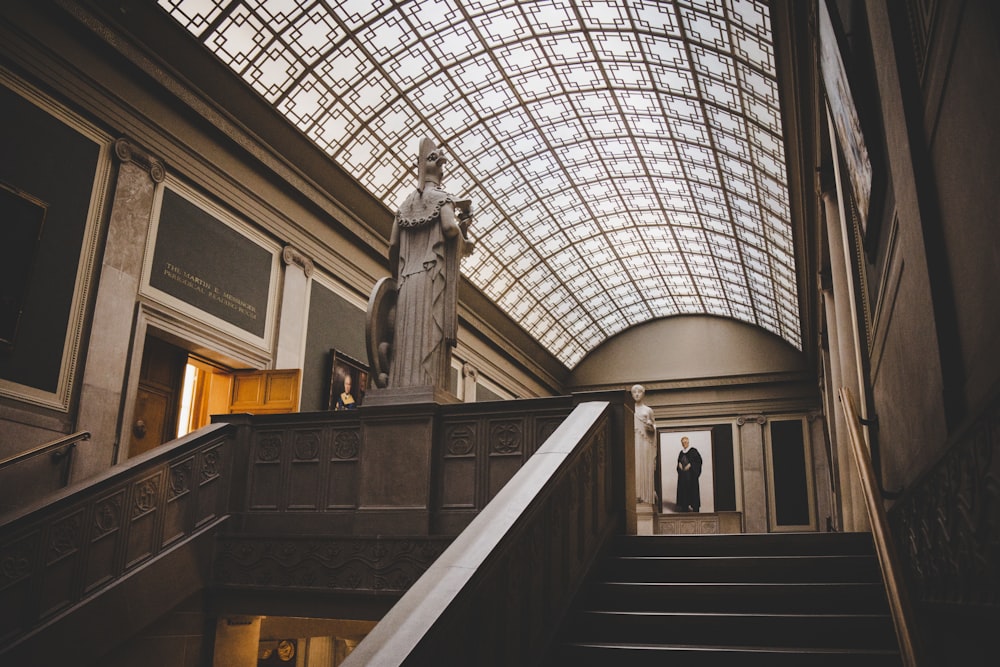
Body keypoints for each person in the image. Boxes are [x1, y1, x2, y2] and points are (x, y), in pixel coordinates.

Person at [383, 137, 471, 390]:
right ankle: (426, 388)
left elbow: (392, 247)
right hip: (431, 279)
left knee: (405, 340)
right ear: (439, 169)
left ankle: (401, 388)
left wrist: (397, 278)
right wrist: (463, 229)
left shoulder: (404, 206)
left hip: (406, 283)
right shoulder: (443, 199)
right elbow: (449, 229)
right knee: (428, 338)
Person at [631, 384, 656, 504]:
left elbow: (654, 428)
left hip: (645, 441)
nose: (636, 394)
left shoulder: (648, 410)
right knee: (635, 466)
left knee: (644, 465)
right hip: (634, 441)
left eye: (639, 392)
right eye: (634, 392)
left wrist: (651, 427)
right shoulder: (629, 409)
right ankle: (636, 495)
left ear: (643, 393)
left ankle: (646, 495)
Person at [676, 436, 702, 512]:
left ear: (688, 442)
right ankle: (684, 506)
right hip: (683, 477)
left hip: (691, 477)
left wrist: (691, 465)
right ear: (681, 443)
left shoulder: (693, 451)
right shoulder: (681, 453)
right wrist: (679, 464)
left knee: (693, 491)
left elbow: (699, 461)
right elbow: (679, 462)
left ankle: (695, 508)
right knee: (684, 491)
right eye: (683, 442)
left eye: (686, 442)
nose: (684, 444)